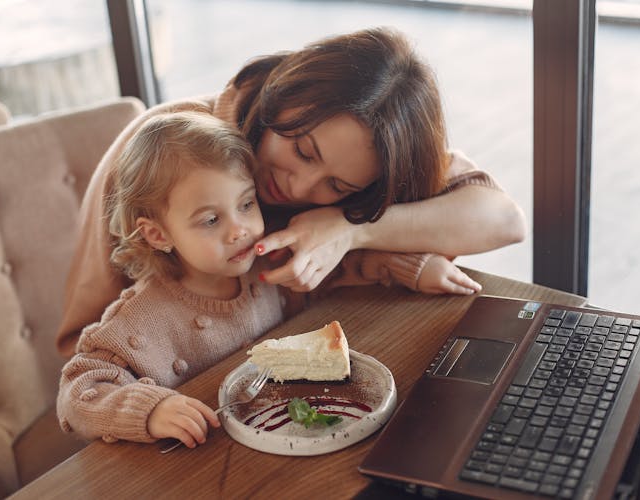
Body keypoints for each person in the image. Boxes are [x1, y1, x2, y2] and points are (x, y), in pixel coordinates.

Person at [56, 26, 526, 357]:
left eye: (338, 186)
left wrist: (348, 230)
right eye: (302, 150)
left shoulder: (372, 151)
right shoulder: (165, 152)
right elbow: (86, 340)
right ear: (282, 95)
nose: (299, 187)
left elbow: (504, 220)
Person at [57, 111, 285, 447]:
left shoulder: (268, 269)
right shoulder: (137, 320)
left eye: (247, 203)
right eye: (211, 220)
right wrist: (151, 410)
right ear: (158, 235)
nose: (240, 230)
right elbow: (77, 392)